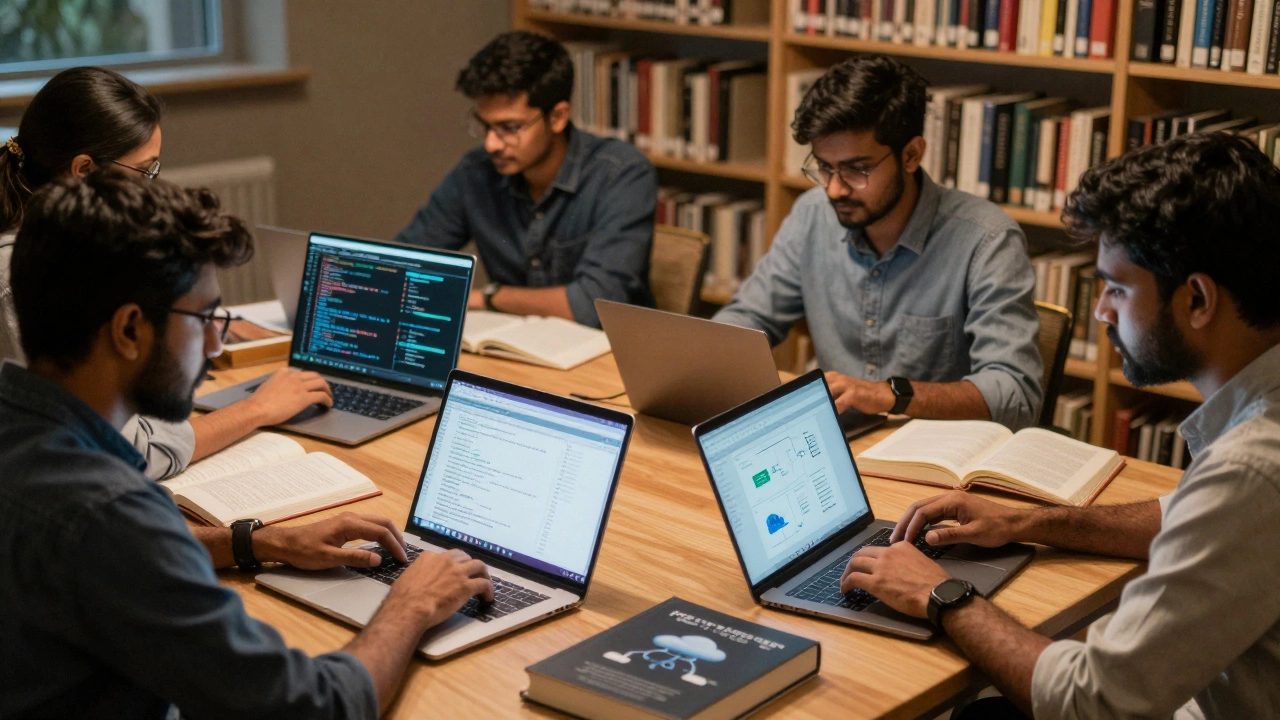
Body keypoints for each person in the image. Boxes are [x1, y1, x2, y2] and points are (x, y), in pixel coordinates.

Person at [0, 171, 495, 718]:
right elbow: (312, 707)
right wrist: (411, 604)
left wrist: (257, 542)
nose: (215, 345)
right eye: (206, 318)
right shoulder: (108, 516)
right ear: (129, 330)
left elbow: (115, 561)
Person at [838, 132, 1280, 720]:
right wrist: (1024, 519)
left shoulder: (1253, 466)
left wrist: (938, 594)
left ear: (1197, 298)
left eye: (1118, 288)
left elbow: (1095, 701)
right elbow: (1189, 515)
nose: (1101, 311)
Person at [0, 66, 333, 480]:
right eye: (147, 171)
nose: (155, 187)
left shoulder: (67, 249)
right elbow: (129, 451)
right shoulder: (22, 274)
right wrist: (258, 409)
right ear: (84, 171)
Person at [713, 56, 1042, 431]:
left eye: (857, 169)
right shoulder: (812, 215)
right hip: (837, 440)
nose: (835, 188)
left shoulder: (987, 240)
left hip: (937, 461)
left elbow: (1017, 396)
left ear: (911, 155)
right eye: (824, 167)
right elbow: (751, 318)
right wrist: (705, 357)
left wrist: (892, 395)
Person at [393, 31, 657, 328]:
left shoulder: (620, 174)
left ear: (557, 117)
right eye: (485, 126)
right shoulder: (476, 172)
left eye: (510, 127)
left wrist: (490, 298)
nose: (492, 143)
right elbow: (402, 265)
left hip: (603, 356)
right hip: (514, 349)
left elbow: (596, 303)